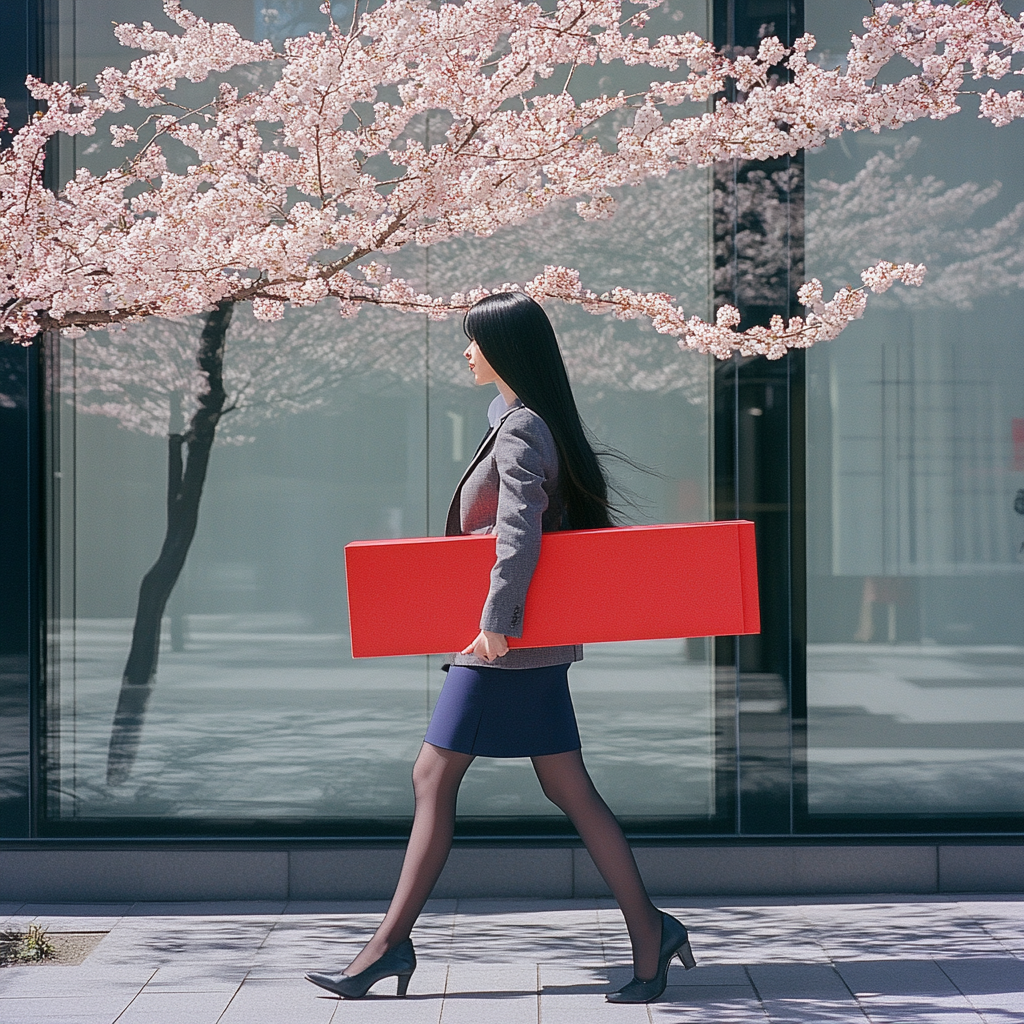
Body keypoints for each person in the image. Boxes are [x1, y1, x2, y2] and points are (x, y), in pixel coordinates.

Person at [305, 292, 695, 1004]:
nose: (467, 353)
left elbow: (520, 532)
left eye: (475, 342)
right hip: (525, 641)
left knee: (433, 776)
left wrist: (498, 622)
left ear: (504, 351)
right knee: (565, 786)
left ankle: (389, 946)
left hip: (505, 644)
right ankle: (650, 930)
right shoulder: (533, 423)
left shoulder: (522, 429)